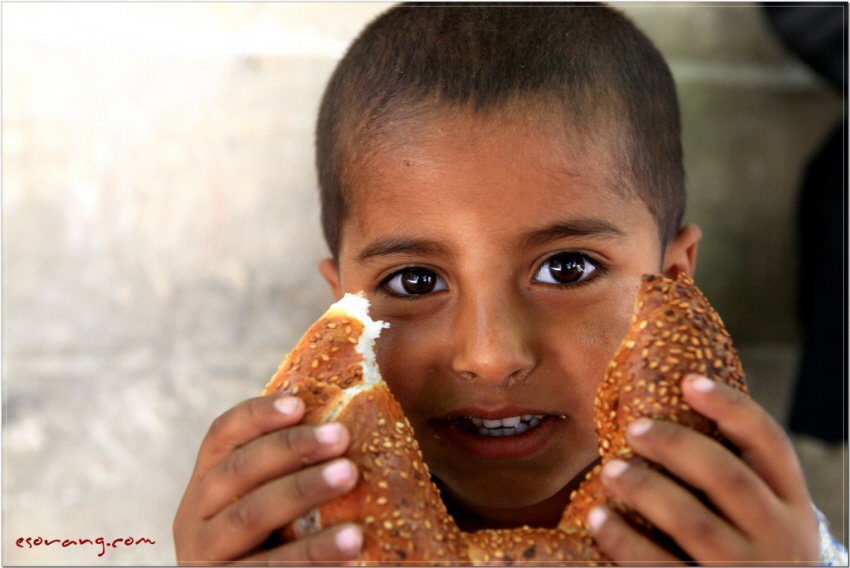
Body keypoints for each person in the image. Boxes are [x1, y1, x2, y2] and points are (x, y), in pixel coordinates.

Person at [173, 4, 846, 564]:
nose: (491, 355)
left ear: (672, 285)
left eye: (567, 268)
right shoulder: (289, 533)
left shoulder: (748, 533)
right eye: (414, 280)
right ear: (341, 308)